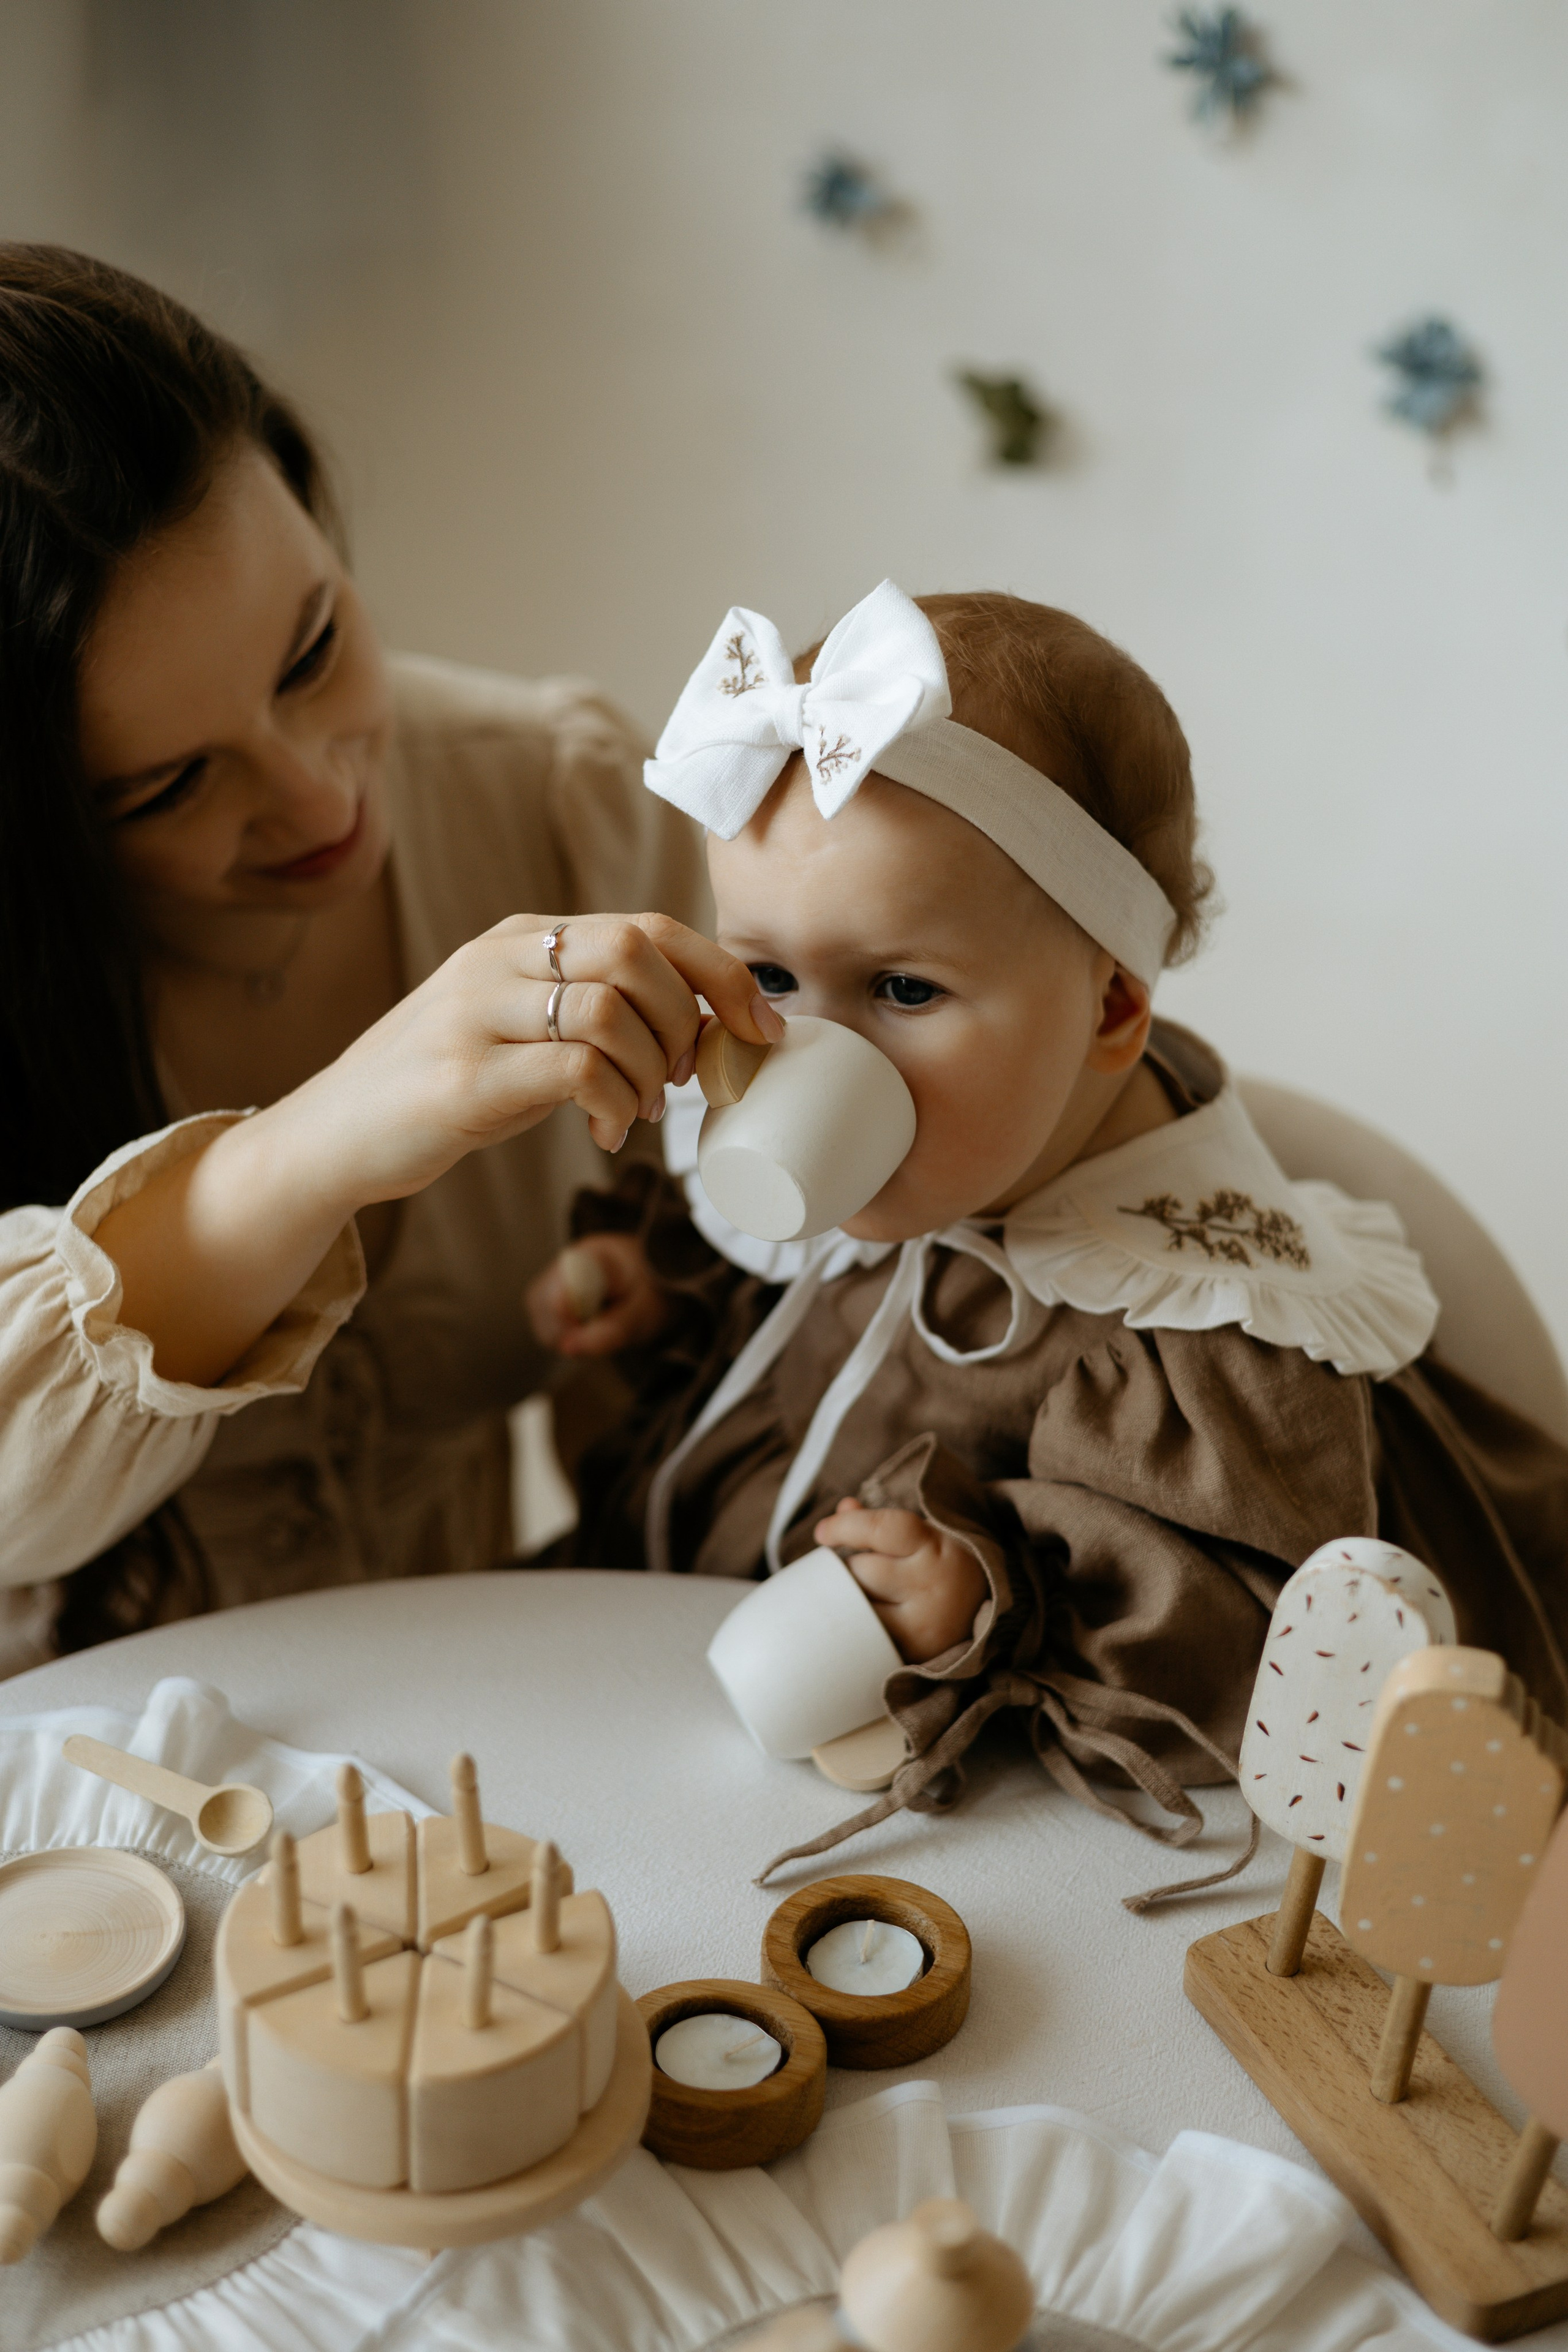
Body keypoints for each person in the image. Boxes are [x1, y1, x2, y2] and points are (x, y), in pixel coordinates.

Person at [529, 580, 1568, 1882]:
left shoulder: (1189, 1322)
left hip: (1000, 1839)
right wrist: (664, 1281)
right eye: (774, 979)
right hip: (653, 1659)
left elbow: (1252, 1648)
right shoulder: (943, 1142)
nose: (813, 1051)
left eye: (902, 989)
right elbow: (793, 1306)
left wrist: (991, 1599)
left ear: (1108, 1010)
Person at [0, 244, 780, 1679]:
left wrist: (657, 1325)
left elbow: (669, 1406)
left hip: (474, 1719)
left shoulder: (559, 799)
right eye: (166, 786)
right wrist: (314, 1149)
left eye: (312, 650)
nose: (316, 798)